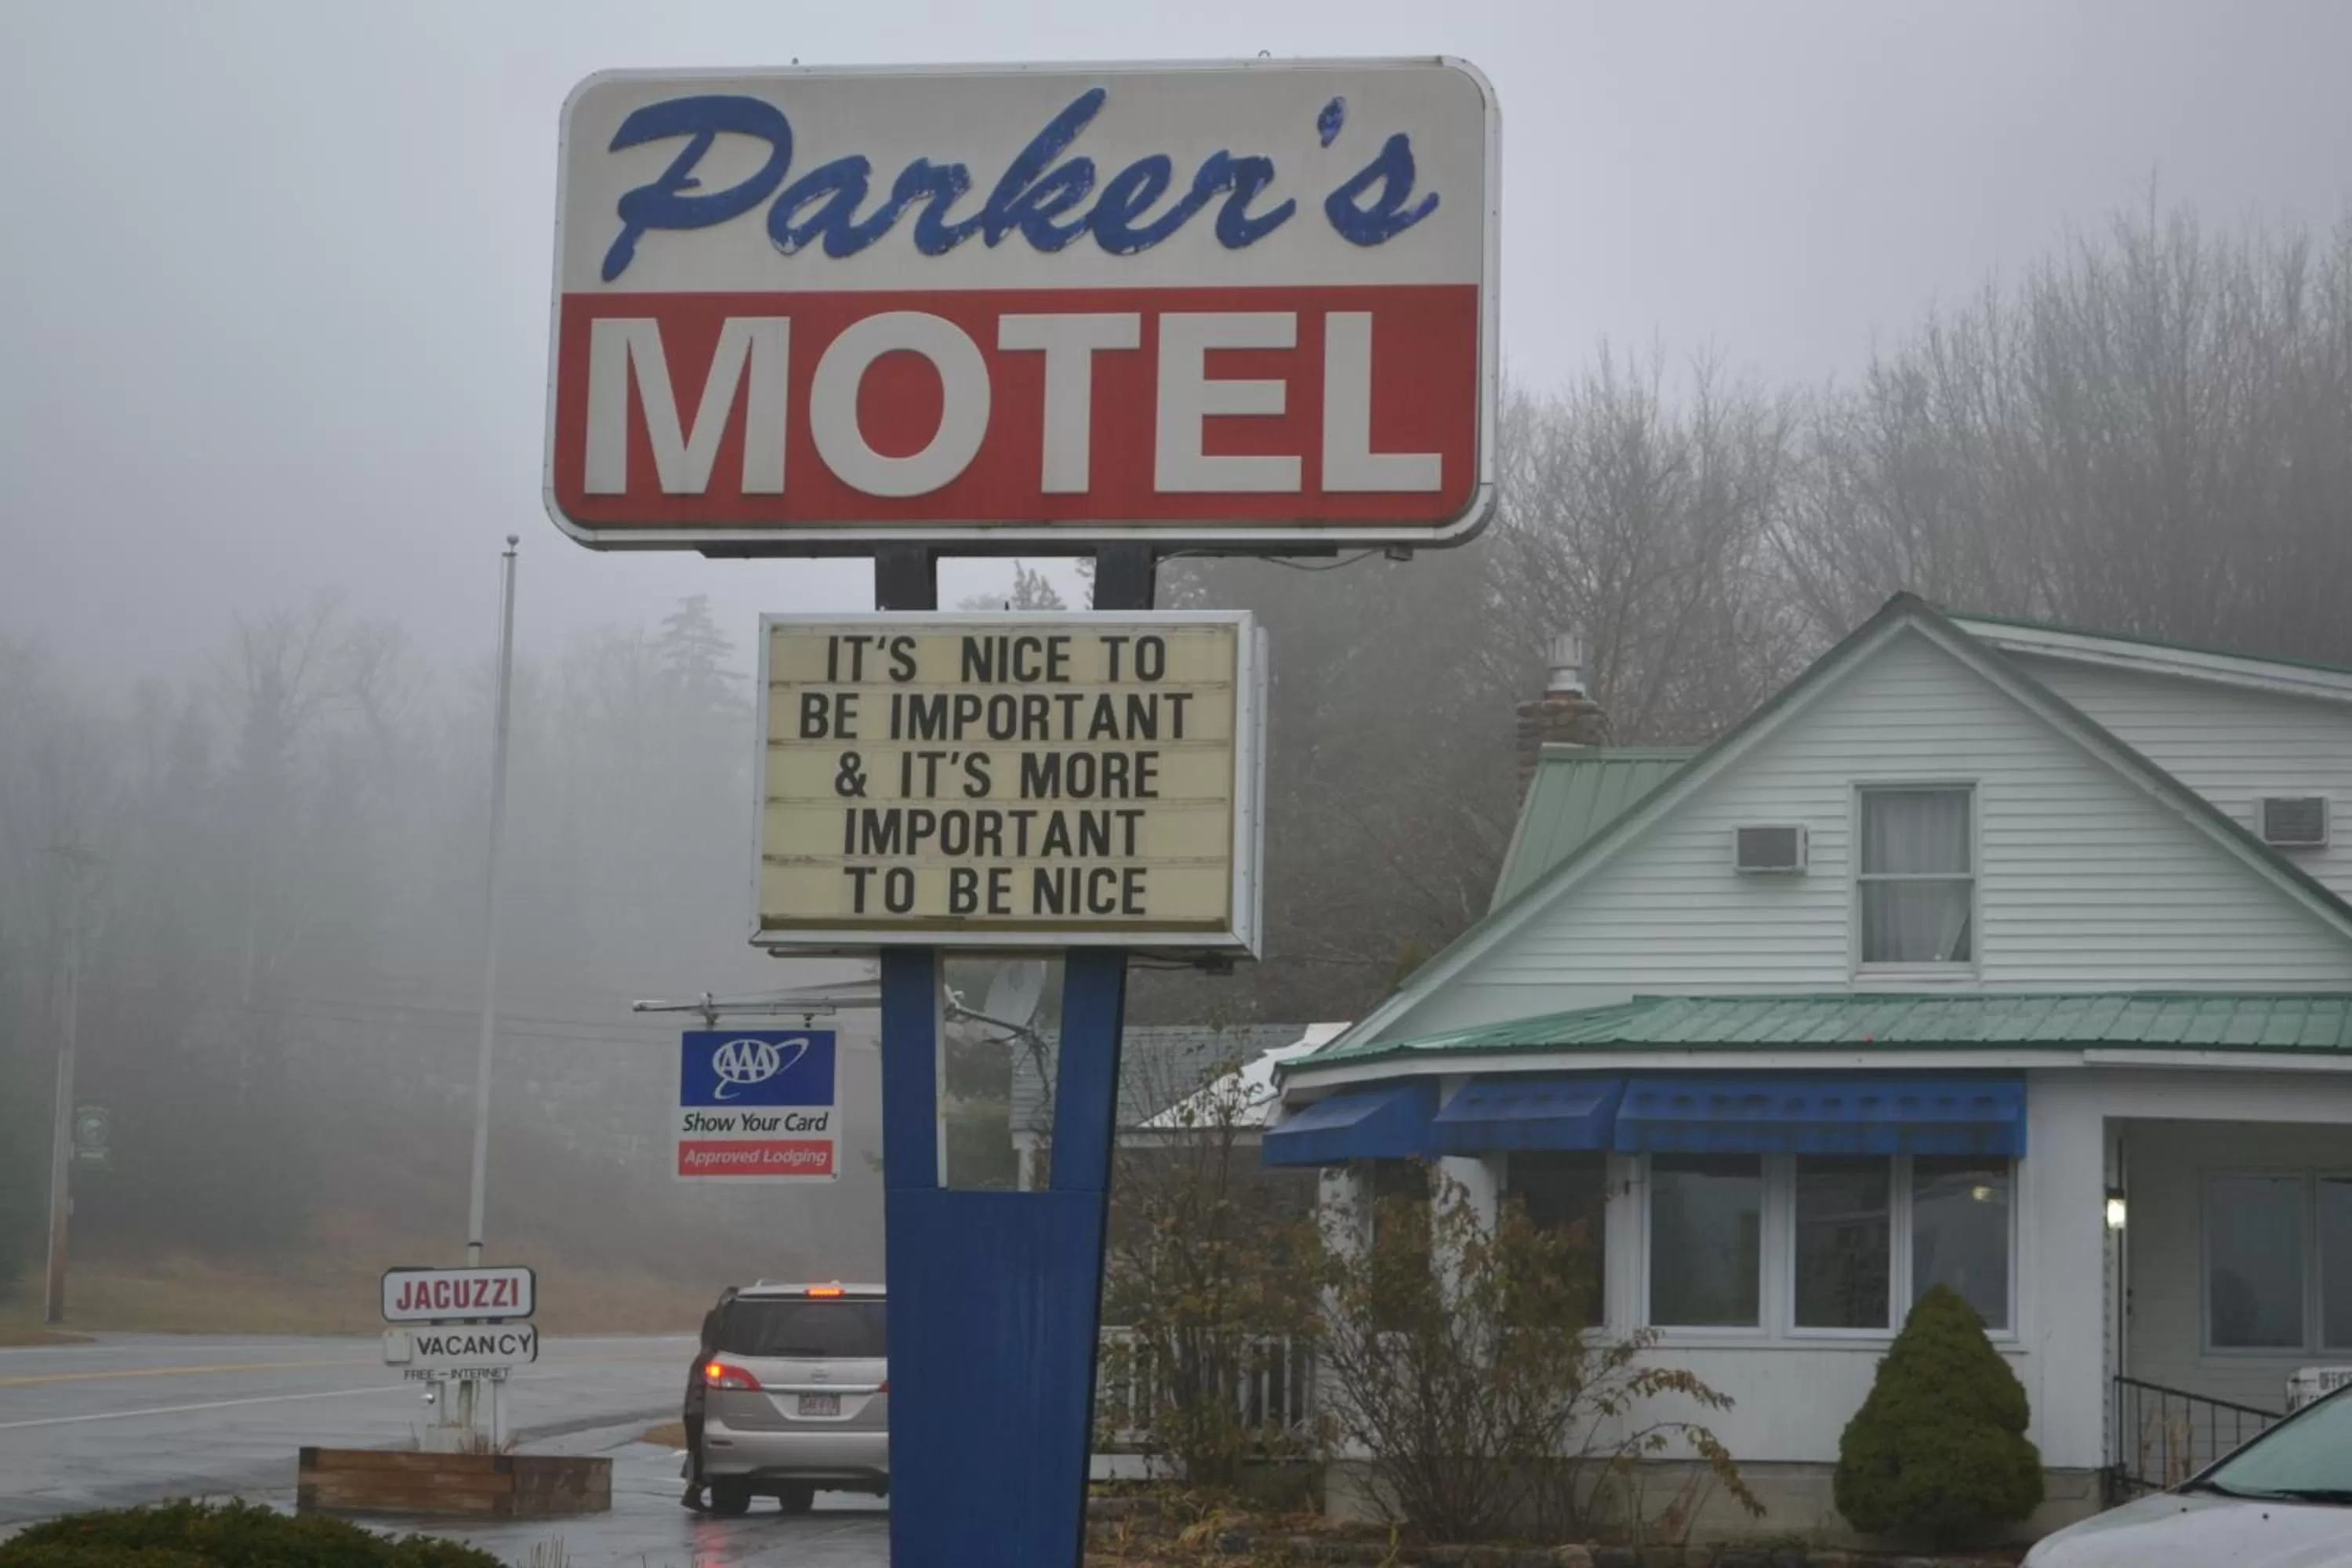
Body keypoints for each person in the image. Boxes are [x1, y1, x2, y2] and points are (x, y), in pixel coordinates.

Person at [680, 1299, 727, 1511]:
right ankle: (694, 1490)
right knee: (700, 1453)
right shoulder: (711, 1358)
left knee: (696, 1453)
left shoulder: (705, 1355)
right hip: (700, 1412)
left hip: (693, 1411)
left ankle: (694, 1489)